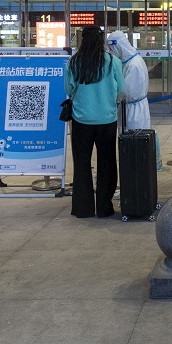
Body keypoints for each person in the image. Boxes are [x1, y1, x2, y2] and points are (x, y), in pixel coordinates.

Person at [64, 26, 124, 218]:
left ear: (83, 41)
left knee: (82, 163)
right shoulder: (113, 61)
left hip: (81, 120)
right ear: (101, 40)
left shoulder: (74, 62)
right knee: (107, 162)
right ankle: (105, 207)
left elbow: (68, 88)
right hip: (107, 119)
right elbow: (121, 89)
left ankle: (83, 208)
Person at [106, 30, 160, 170]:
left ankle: (135, 174)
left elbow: (126, 92)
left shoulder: (134, 64)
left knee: (134, 144)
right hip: (130, 108)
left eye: (112, 49)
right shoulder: (130, 62)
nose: (112, 52)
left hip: (133, 110)